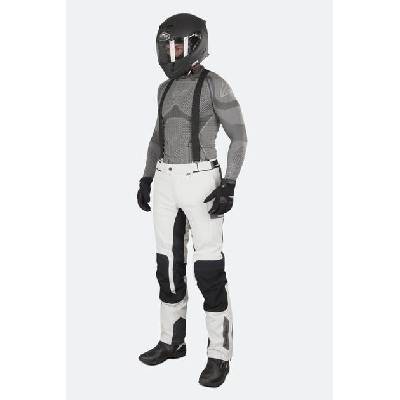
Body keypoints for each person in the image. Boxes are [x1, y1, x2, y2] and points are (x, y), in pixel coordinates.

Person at [137, 13, 247, 388]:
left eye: (179, 46)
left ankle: (219, 355)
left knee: (209, 270)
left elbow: (239, 137)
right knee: (167, 265)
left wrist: (229, 184)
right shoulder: (163, 88)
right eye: (168, 47)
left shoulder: (216, 84)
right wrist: (146, 177)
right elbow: (157, 138)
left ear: (197, 44)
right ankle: (172, 341)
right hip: (166, 181)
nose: (172, 54)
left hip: (202, 181)